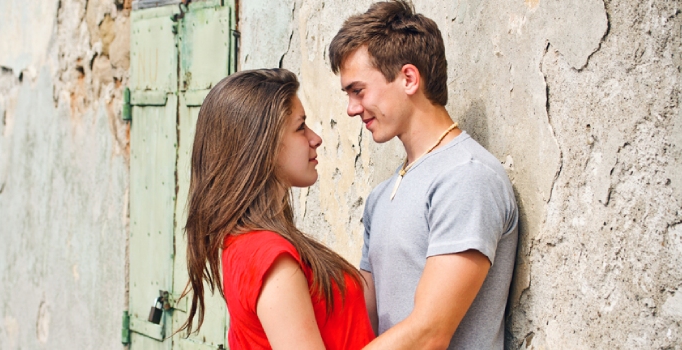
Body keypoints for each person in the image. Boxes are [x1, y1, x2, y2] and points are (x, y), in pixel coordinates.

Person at [328, 1, 519, 349]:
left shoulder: (466, 177)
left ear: (409, 78)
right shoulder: (381, 195)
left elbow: (429, 333)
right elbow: (362, 317)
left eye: (358, 91)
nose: (352, 108)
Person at [180, 68, 375, 349]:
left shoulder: (247, 243)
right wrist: (423, 329)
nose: (315, 138)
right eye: (300, 127)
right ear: (262, 144)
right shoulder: (269, 256)